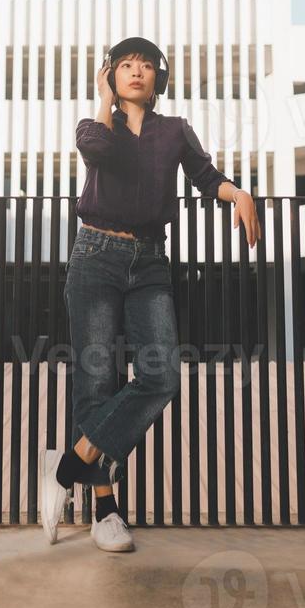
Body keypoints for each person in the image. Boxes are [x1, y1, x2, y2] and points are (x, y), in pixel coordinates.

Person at [39, 37, 261, 551]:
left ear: (158, 79)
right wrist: (104, 104)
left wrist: (239, 192)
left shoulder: (174, 131)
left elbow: (206, 178)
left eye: (145, 66)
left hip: (150, 262)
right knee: (97, 379)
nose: (136, 72)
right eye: (125, 66)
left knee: (161, 377)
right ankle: (105, 511)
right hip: (95, 257)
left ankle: (68, 464)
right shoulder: (97, 128)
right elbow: (97, 152)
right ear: (110, 76)